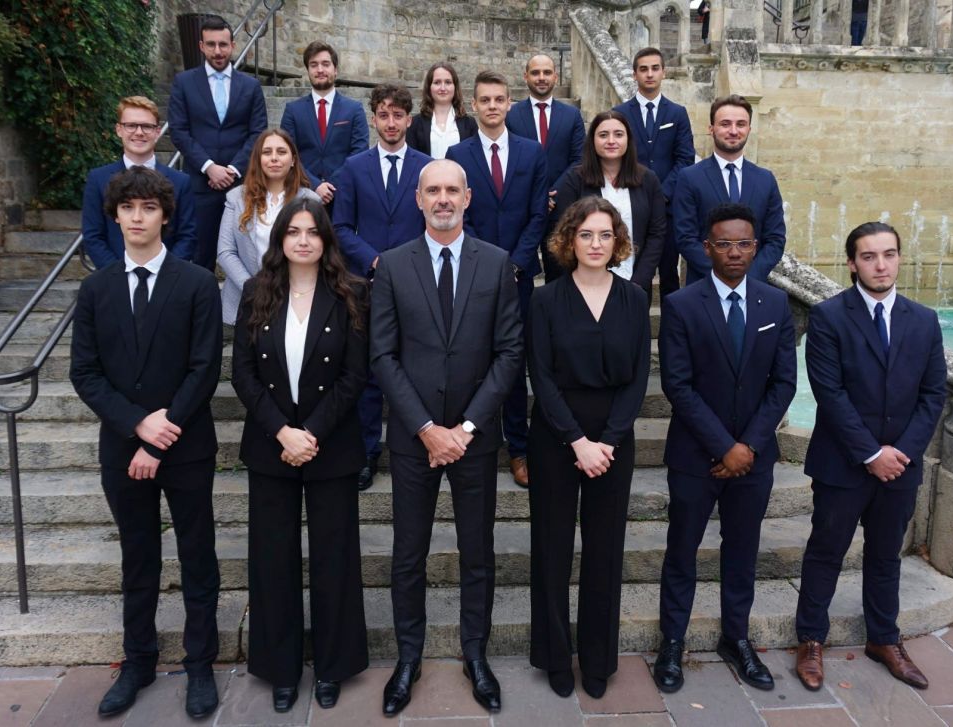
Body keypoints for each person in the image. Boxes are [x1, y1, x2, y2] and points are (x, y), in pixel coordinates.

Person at [371, 159, 524, 717]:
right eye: (432, 190)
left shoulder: (497, 263)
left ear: (467, 198)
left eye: (451, 190)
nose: (442, 198)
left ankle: (475, 654)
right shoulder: (391, 265)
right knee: (408, 554)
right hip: (414, 439)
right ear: (418, 199)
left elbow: (509, 353)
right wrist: (426, 429)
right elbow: (382, 355)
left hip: (473, 440)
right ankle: (408, 658)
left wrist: (464, 429)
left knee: (477, 552)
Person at [69, 167, 223, 719]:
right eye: (128, 208)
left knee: (198, 556)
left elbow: (205, 368)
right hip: (122, 448)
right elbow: (85, 373)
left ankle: (200, 663)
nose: (137, 217)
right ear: (115, 216)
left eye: (149, 208)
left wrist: (160, 437)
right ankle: (138, 661)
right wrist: (137, 426)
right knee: (138, 559)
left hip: (186, 445)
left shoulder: (197, 283)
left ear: (165, 216)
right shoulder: (96, 288)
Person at [793, 222, 947, 693]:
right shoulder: (828, 317)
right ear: (852, 263)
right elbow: (830, 393)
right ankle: (811, 640)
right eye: (868, 256)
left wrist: (902, 453)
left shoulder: (924, 320)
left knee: (885, 556)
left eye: (889, 254)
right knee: (826, 552)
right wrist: (870, 453)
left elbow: (933, 394)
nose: (881, 265)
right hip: (842, 464)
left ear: (899, 258)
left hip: (900, 466)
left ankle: (884, 638)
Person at [230, 196, 370, 713]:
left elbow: (355, 375)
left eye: (313, 231)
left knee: (335, 558)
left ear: (326, 239)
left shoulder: (352, 292)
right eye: (294, 232)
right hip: (271, 448)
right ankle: (280, 668)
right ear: (280, 240)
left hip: (331, 445)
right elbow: (242, 373)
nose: (304, 240)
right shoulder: (256, 291)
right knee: (273, 560)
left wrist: (309, 432)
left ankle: (334, 666)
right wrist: (283, 433)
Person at [653, 203, 796, 695]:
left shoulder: (774, 304)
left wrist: (748, 445)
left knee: (742, 551)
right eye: (725, 244)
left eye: (744, 244)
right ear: (707, 248)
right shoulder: (682, 305)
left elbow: (783, 383)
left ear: (756, 249)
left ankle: (736, 638)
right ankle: (672, 641)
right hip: (694, 457)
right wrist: (722, 446)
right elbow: (678, 385)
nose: (735, 252)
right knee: (682, 551)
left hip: (753, 459)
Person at [528, 197, 650, 700]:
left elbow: (638, 378)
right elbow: (540, 375)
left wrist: (608, 440)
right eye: (585, 235)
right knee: (551, 548)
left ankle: (598, 659)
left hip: (613, 438)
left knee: (605, 551)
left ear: (617, 241)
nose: (596, 244)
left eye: (604, 235)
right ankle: (555, 656)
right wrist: (578, 442)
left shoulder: (634, 299)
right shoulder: (545, 301)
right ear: (569, 241)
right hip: (558, 434)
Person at [446, 70, 547, 488]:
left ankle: (519, 448)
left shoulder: (532, 152)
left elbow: (538, 214)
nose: (492, 106)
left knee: (513, 361)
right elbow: (459, 212)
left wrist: (515, 264)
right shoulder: (457, 153)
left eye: (499, 99)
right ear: (473, 105)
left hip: (518, 277)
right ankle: (474, 440)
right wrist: (486, 263)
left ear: (510, 103)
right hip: (472, 275)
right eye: (484, 99)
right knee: (473, 359)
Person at [331, 84, 430, 491]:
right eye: (384, 115)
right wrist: (375, 260)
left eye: (398, 115)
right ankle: (368, 450)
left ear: (409, 120)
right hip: (365, 284)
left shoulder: (427, 167)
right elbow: (340, 227)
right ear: (373, 119)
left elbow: (434, 222)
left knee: (415, 367)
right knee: (370, 369)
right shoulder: (354, 167)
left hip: (416, 283)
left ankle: (416, 443)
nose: (391, 123)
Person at [168, 15, 267, 270]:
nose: (218, 51)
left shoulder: (251, 86)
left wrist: (233, 170)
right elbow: (179, 131)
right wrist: (209, 167)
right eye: (211, 44)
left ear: (232, 45)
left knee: (248, 258)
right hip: (200, 185)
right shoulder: (184, 82)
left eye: (223, 44)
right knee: (201, 259)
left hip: (242, 186)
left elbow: (258, 133)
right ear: (201, 46)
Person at [548, 111, 668, 296]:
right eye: (603, 135)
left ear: (628, 139)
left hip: (635, 284)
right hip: (584, 285)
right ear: (592, 140)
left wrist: (639, 281)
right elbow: (565, 232)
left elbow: (656, 234)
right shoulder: (574, 180)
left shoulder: (648, 180)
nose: (611, 141)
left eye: (618, 134)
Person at [672, 95, 786, 284]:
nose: (733, 131)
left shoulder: (766, 180)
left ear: (749, 129)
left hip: (753, 287)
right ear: (711, 129)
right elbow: (685, 238)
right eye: (725, 124)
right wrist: (721, 278)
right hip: (704, 286)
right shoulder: (689, 178)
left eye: (741, 124)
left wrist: (747, 279)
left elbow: (775, 239)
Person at [613, 47, 694, 296]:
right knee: (636, 273)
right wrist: (639, 192)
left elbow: (685, 158)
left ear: (663, 72)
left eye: (655, 68)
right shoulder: (620, 114)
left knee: (669, 273)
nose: (650, 74)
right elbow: (616, 156)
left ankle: (671, 323)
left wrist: (661, 193)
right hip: (632, 205)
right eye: (644, 69)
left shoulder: (677, 113)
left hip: (668, 208)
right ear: (634, 74)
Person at [217, 129, 318, 325]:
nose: (274, 158)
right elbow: (225, 251)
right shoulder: (236, 198)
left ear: (293, 160)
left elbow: (315, 251)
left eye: (281, 152)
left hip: (294, 298)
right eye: (267, 152)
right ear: (258, 159)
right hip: (246, 299)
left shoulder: (311, 200)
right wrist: (252, 287)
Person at [83, 95, 196, 269]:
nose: (139, 132)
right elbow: (93, 236)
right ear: (119, 130)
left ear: (157, 132)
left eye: (147, 126)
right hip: (115, 277)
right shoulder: (98, 179)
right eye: (131, 125)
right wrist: (119, 275)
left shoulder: (180, 182)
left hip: (166, 278)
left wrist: (163, 273)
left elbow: (188, 236)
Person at [505, 53, 584, 278]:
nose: (541, 77)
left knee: (560, 276)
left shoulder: (572, 115)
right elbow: (508, 159)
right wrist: (536, 196)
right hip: (523, 209)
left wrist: (551, 195)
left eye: (547, 72)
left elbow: (579, 160)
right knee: (520, 276)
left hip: (561, 210)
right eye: (535, 73)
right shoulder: (511, 115)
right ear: (526, 77)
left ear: (555, 77)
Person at [280, 41, 369, 204]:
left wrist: (332, 185)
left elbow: (359, 152)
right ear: (308, 70)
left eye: (325, 64)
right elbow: (288, 153)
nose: (320, 70)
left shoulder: (354, 109)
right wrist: (315, 185)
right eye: (314, 65)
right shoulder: (293, 111)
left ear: (335, 70)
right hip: (303, 195)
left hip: (343, 195)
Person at [405, 62, 478, 159]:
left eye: (448, 82)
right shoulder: (415, 124)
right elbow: (411, 160)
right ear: (429, 87)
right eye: (437, 82)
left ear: (455, 86)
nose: (443, 88)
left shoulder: (469, 123)